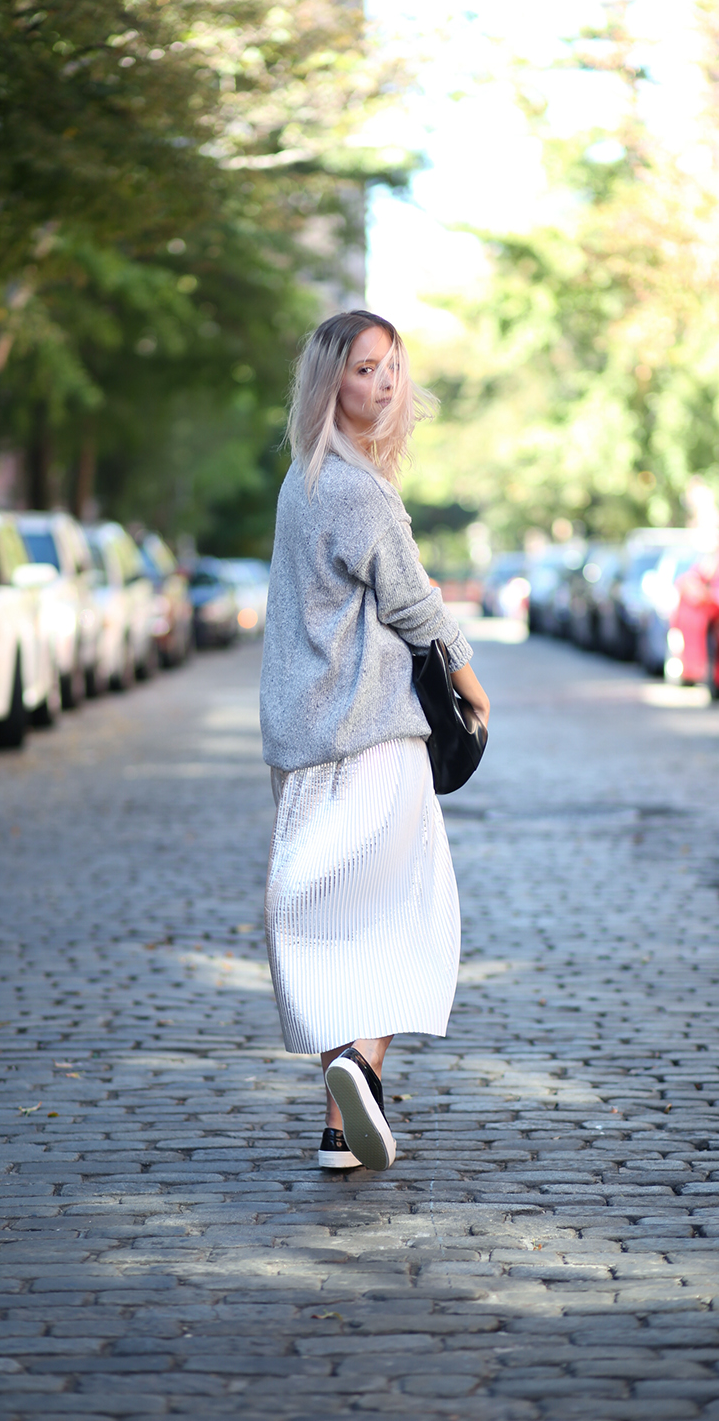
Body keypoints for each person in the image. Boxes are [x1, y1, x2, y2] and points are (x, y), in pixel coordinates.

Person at [259, 309, 490, 1172]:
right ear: (331, 382)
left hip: (302, 743)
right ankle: (361, 1064)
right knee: (401, 914)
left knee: (320, 924)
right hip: (377, 739)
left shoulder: (302, 481)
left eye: (391, 366)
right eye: (364, 368)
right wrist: (473, 692)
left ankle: (338, 1123)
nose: (384, 382)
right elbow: (416, 607)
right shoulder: (361, 490)